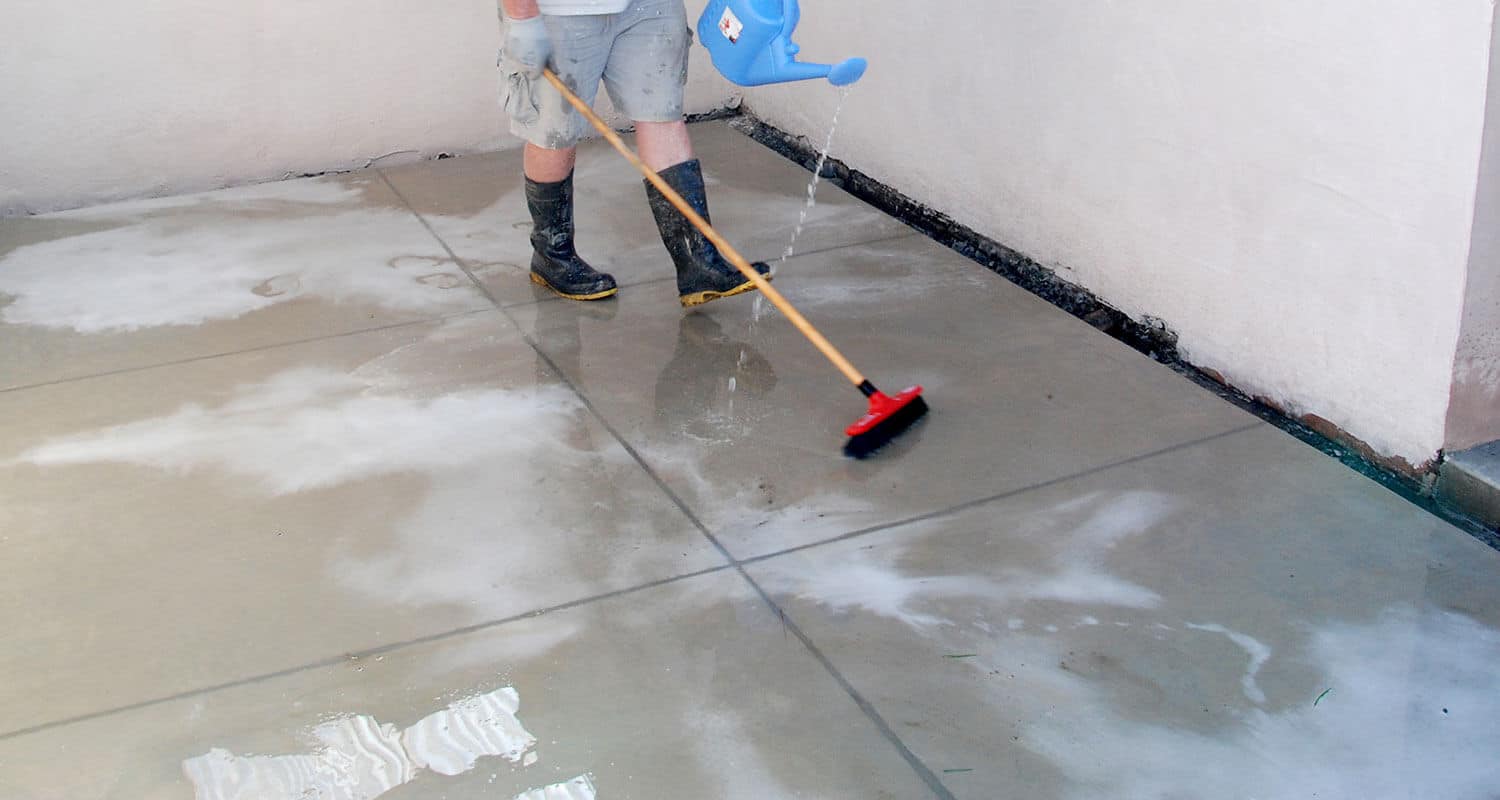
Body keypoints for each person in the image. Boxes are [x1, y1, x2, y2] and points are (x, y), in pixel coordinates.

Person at [499, 0, 772, 306]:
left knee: (662, 114)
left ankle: (698, 263)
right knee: (554, 134)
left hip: (649, 7)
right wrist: (522, 21)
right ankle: (553, 255)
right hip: (560, 13)